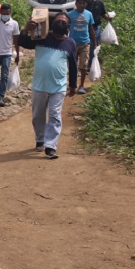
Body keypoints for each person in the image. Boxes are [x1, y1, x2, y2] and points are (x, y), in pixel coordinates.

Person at [18, 13, 78, 159]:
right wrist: (26, 29)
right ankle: (40, 139)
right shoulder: (41, 37)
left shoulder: (70, 43)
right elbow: (23, 42)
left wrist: (73, 85)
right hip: (40, 85)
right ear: (52, 24)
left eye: (64, 21)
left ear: (68, 26)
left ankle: (50, 146)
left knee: (55, 116)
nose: (61, 22)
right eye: (58, 20)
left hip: (58, 87)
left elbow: (73, 66)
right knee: (38, 115)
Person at [68, 0, 96, 94]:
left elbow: (91, 30)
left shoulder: (89, 14)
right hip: (72, 44)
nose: (81, 5)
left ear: (86, 4)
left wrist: (95, 44)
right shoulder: (70, 14)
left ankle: (81, 86)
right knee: (72, 66)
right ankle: (72, 85)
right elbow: (66, 28)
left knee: (83, 66)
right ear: (76, 4)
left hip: (85, 43)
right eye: (79, 3)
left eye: (83, 3)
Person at [85, 0, 112, 73]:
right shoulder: (84, 3)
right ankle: (87, 62)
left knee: (93, 44)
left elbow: (102, 13)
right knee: (86, 44)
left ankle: (90, 64)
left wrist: (108, 18)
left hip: (96, 26)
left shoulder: (99, 3)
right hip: (86, 27)